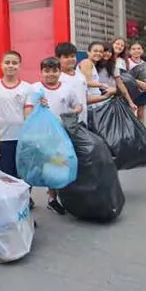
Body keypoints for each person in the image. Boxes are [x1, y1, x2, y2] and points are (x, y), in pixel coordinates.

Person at [24, 56, 82, 215]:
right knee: (34, 166)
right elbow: (28, 109)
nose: (50, 74)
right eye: (47, 71)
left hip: (59, 136)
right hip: (38, 136)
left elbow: (78, 106)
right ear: (41, 72)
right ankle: (27, 197)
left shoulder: (67, 88)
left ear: (59, 71)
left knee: (55, 165)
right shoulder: (35, 89)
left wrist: (73, 111)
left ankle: (52, 199)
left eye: (54, 71)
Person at [0, 50, 34, 181]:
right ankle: (7, 201)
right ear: (1, 65)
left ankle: (25, 200)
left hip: (21, 139)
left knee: (23, 175)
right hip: (0, 140)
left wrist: (29, 137)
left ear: (19, 66)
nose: (10, 65)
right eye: (7, 62)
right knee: (4, 176)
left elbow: (28, 115)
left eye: (14, 63)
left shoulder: (27, 88)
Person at [55, 42, 88, 123]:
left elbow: (85, 98)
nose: (70, 59)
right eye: (66, 57)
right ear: (58, 59)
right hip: (65, 123)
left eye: (72, 56)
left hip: (82, 122)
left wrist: (105, 96)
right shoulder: (57, 78)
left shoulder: (81, 76)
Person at [79, 41, 118, 109]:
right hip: (89, 104)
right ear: (88, 52)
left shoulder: (93, 65)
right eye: (95, 51)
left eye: (100, 52)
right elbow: (87, 82)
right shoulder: (86, 62)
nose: (98, 53)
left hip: (94, 102)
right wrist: (105, 86)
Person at [123, 41, 146, 121]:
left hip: (141, 92)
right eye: (133, 49)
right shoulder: (126, 62)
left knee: (140, 113)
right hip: (129, 91)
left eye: (139, 48)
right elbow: (124, 76)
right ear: (129, 51)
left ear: (142, 51)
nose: (136, 51)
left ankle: (141, 131)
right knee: (131, 113)